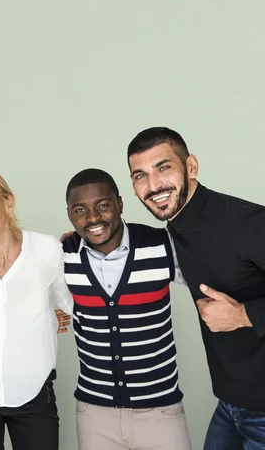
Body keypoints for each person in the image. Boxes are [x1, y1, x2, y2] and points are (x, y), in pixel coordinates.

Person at [127, 126, 265, 450]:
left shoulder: (253, 225)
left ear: (191, 167)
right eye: (140, 176)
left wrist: (243, 315)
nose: (153, 186)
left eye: (163, 168)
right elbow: (131, 245)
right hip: (230, 404)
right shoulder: (175, 235)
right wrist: (79, 241)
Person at [63, 168, 191, 450]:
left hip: (161, 411)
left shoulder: (161, 245)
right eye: (80, 209)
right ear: (70, 215)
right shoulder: (63, 256)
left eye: (103, 205)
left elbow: (219, 278)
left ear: (120, 204)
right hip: (95, 414)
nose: (93, 218)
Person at [0, 169, 73, 450]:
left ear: (7, 203)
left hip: (35, 394)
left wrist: (84, 245)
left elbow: (71, 304)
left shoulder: (48, 250)